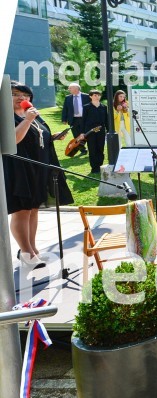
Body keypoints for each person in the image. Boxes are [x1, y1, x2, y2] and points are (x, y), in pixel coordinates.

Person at [3, 81, 72, 268]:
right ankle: (26, 252)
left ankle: (32, 249)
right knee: (22, 210)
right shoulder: (7, 117)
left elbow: (38, 137)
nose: (22, 98)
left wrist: (53, 136)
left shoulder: (32, 115)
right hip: (18, 169)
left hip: (38, 168)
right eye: (16, 94)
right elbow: (12, 140)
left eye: (26, 95)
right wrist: (27, 120)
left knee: (33, 209)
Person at [80, 90, 108, 174]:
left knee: (100, 148)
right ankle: (94, 168)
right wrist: (82, 132)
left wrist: (109, 130)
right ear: (90, 96)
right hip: (90, 131)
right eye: (95, 95)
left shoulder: (104, 107)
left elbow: (106, 120)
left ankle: (100, 166)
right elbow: (83, 120)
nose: (97, 97)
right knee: (92, 149)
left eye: (98, 95)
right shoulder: (86, 107)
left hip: (101, 130)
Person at [60, 82, 90, 155]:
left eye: (70, 88)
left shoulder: (86, 96)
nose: (69, 89)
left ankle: (91, 148)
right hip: (73, 120)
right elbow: (65, 109)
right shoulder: (68, 98)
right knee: (76, 136)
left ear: (76, 89)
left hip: (85, 119)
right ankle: (83, 150)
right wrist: (64, 119)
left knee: (87, 134)